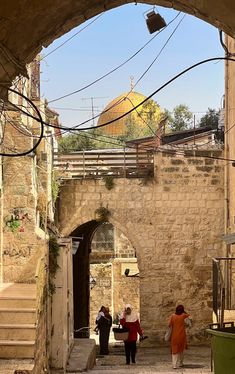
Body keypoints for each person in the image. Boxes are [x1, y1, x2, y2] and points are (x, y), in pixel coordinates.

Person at [168, 304, 191, 369]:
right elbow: (189, 317)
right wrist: (184, 312)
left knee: (174, 350)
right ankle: (181, 363)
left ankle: (174, 365)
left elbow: (169, 325)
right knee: (181, 349)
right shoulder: (183, 316)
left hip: (174, 336)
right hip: (182, 335)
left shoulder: (173, 316)